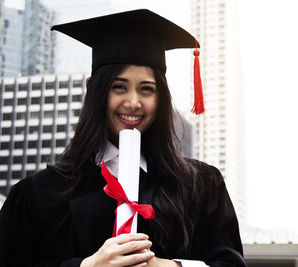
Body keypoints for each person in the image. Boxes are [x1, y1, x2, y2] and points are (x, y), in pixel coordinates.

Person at [0, 9, 246, 267]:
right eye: (119, 86)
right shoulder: (39, 194)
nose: (133, 102)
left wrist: (171, 266)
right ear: (93, 90)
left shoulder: (201, 186)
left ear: (160, 98)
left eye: (146, 89)